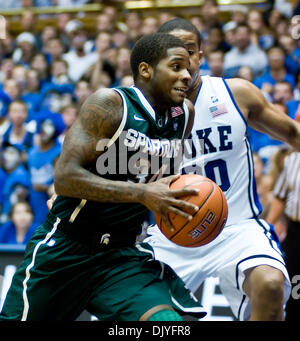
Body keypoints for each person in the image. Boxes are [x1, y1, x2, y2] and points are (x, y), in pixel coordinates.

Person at [0, 33, 206, 321]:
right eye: (176, 67)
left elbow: (160, 181)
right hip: (67, 248)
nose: (187, 75)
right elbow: (65, 177)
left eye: (188, 67)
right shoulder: (110, 105)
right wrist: (142, 195)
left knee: (168, 325)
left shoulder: (184, 115)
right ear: (146, 70)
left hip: (122, 254)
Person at [145, 18, 300, 321]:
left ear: (200, 56)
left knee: (269, 285)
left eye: (188, 50)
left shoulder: (236, 94)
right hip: (172, 235)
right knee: (135, 313)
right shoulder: (143, 112)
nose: (182, 60)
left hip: (238, 227)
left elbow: (293, 135)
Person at [266, 151, 300, 321]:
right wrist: (266, 227)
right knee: (294, 287)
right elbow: (280, 198)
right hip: (295, 232)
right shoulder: (292, 159)